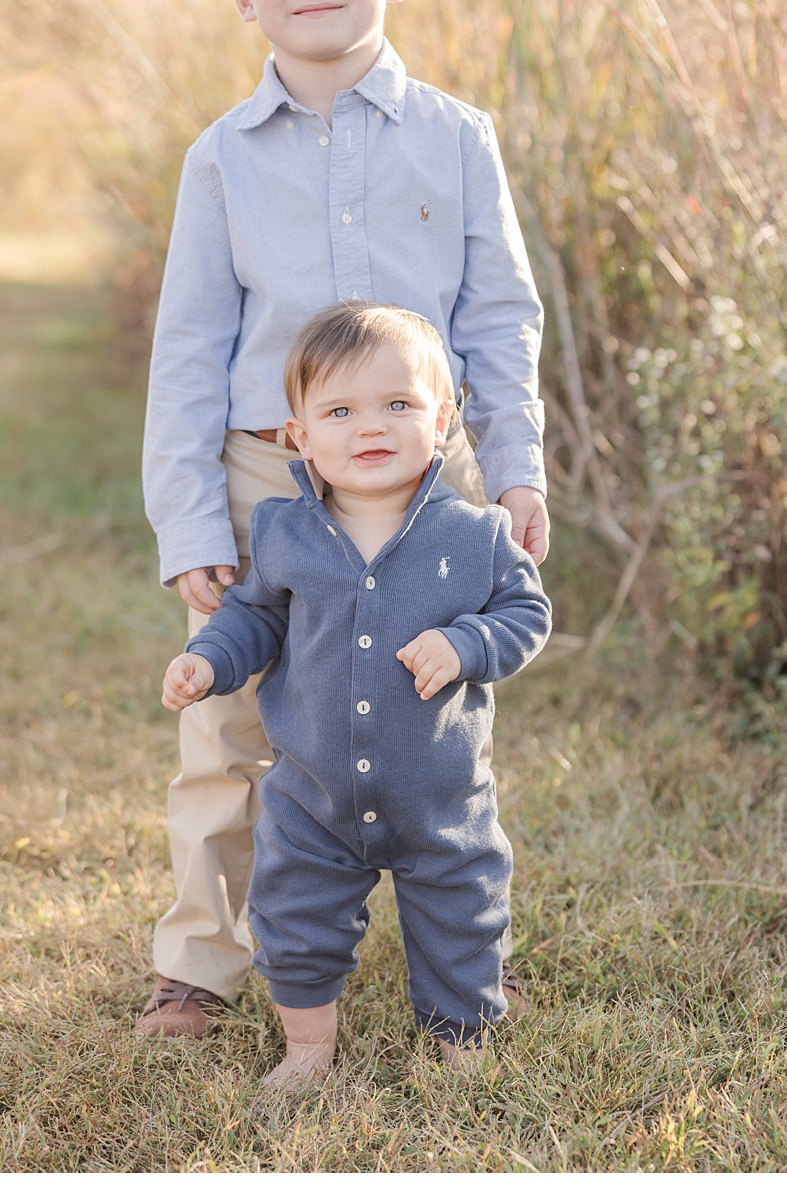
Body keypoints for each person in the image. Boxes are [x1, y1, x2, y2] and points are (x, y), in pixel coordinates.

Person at [138, 0, 551, 1037]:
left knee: (439, 712)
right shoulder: (220, 158)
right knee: (230, 722)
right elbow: (189, 348)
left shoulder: (456, 135)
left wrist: (512, 468)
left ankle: (460, 946)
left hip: (432, 471)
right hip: (271, 470)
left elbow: (498, 315)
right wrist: (190, 520)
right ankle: (204, 960)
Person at [161, 302, 552, 1086]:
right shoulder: (282, 533)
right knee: (295, 919)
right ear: (298, 437)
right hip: (312, 795)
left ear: (441, 419)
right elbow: (253, 620)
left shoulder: (474, 535)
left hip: (437, 796)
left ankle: (459, 1050)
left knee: (460, 919)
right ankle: (308, 1050)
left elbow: (526, 613)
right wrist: (210, 660)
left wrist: (465, 642)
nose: (369, 428)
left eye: (397, 405)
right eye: (339, 411)